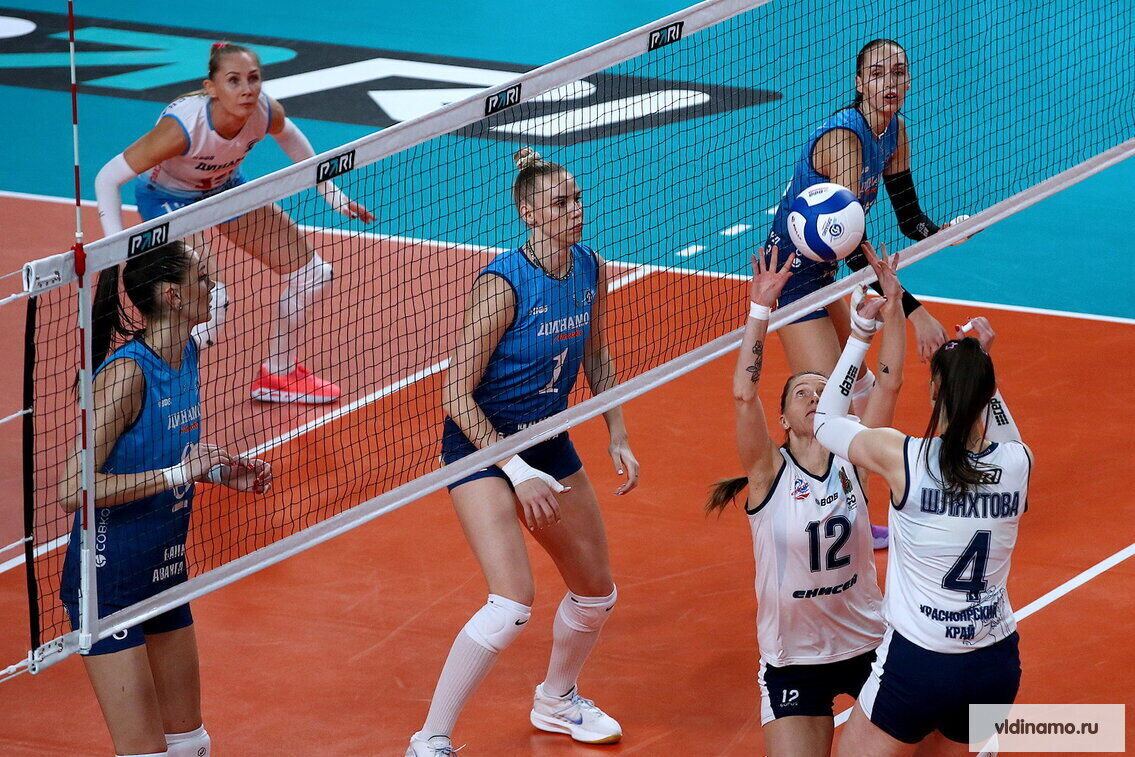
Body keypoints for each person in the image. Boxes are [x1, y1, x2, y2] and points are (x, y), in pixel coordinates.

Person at [405, 148, 639, 756]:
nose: (576, 210)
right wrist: (514, 469)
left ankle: (557, 700)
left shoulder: (590, 266)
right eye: (560, 202)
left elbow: (596, 352)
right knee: (511, 603)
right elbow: (455, 393)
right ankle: (430, 739)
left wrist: (616, 430)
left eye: (578, 198)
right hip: (482, 445)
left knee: (596, 593)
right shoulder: (502, 285)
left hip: (548, 438)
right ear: (528, 213)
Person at [58, 241, 273, 756]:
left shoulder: (187, 353)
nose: (214, 288)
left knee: (191, 744)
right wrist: (179, 473)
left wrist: (217, 471)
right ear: (173, 296)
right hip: (108, 584)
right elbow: (73, 489)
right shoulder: (127, 375)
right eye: (204, 279)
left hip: (165, 571)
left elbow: (165, 452)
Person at [705, 242, 907, 755]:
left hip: (869, 645)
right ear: (784, 419)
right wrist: (759, 311)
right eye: (802, 392)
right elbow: (743, 394)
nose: (816, 396)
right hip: (793, 661)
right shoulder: (766, 474)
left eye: (823, 390)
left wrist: (893, 311)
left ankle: (974, 733)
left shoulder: (856, 460)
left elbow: (889, 385)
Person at [94, 41, 374, 404]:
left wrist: (333, 195)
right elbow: (107, 177)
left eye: (253, 79)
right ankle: (159, 389)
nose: (246, 89)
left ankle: (278, 375)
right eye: (234, 80)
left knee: (313, 274)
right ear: (211, 88)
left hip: (225, 188)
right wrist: (117, 248)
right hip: (168, 199)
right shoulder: (183, 128)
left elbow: (293, 140)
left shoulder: (264, 111)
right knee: (213, 300)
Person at [765, 38, 961, 549]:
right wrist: (915, 314)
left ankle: (849, 513)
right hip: (791, 282)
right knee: (828, 411)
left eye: (899, 71)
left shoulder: (895, 132)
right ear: (859, 83)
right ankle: (819, 519)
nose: (889, 82)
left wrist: (945, 234)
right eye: (877, 73)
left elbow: (909, 218)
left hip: (824, 275)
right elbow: (851, 246)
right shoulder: (844, 142)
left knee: (865, 393)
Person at [813, 294, 1030, 754]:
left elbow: (825, 422)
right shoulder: (1018, 464)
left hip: (918, 667)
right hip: (994, 669)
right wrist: (980, 366)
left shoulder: (904, 458)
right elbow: (1003, 433)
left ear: (934, 390)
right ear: (987, 393)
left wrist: (859, 336)